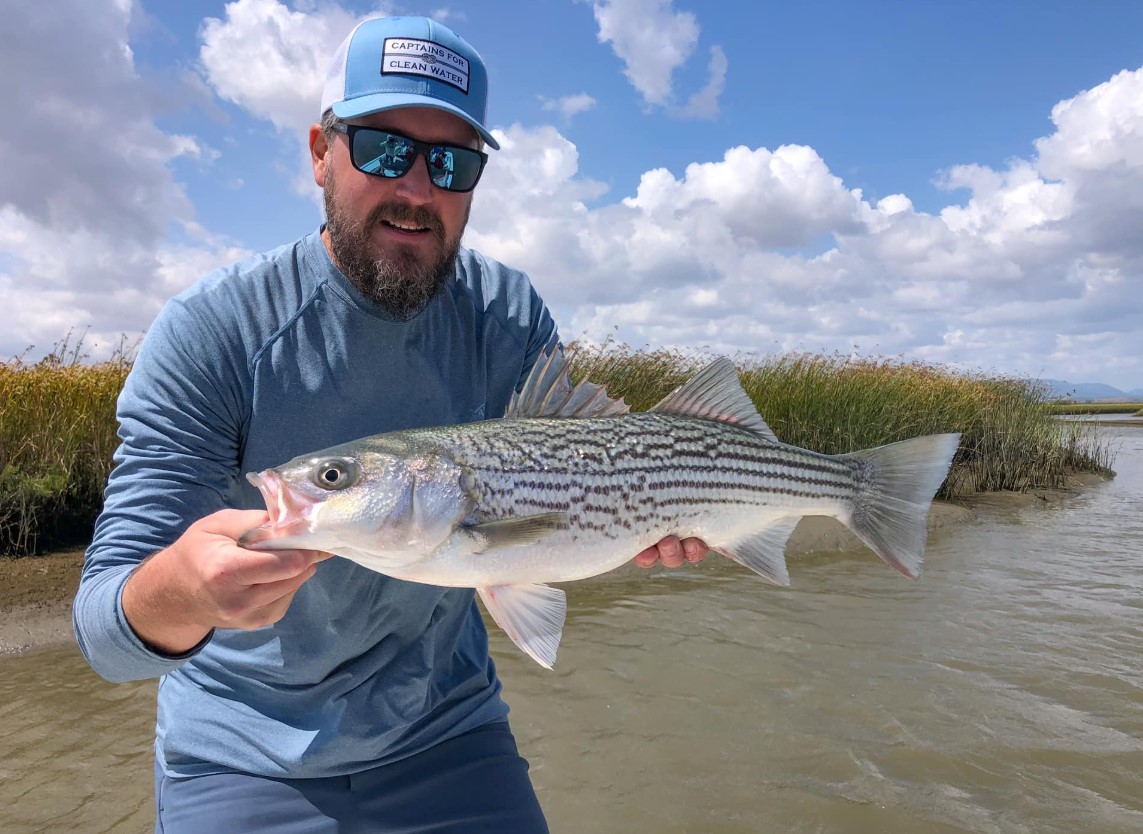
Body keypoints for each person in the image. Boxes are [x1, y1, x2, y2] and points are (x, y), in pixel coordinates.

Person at [73, 15, 707, 834]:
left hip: (452, 734)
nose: (416, 188)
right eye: (381, 149)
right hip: (241, 753)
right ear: (318, 153)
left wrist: (639, 520)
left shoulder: (508, 313)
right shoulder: (213, 331)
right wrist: (184, 593)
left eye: (452, 162)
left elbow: (549, 505)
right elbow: (103, 635)